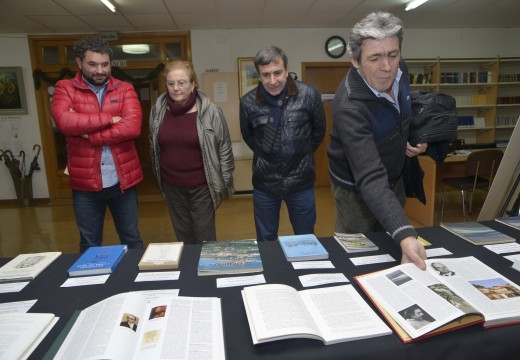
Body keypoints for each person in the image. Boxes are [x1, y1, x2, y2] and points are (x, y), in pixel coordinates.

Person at [326, 12, 427, 269]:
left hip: (394, 176)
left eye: (393, 55)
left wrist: (413, 136)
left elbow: (403, 110)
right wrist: (405, 233)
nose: (387, 67)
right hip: (355, 190)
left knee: (393, 248)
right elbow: (369, 176)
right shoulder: (349, 106)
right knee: (359, 258)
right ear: (355, 61)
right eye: (375, 58)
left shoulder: (400, 70)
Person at [51, 37, 144, 252]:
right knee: (90, 243)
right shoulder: (65, 88)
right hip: (85, 185)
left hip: (124, 182)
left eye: (105, 64)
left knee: (131, 239)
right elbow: (65, 122)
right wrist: (110, 119)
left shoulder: (125, 89)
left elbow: (132, 128)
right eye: (93, 64)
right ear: (79, 63)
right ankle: (92, 284)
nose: (100, 70)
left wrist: (89, 134)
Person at [240, 46, 326, 241]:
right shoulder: (247, 102)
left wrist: (300, 153)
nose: (272, 81)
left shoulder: (309, 95)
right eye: (265, 75)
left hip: (301, 181)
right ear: (259, 76)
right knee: (266, 239)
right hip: (265, 184)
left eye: (277, 73)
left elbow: (318, 133)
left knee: (305, 239)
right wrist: (268, 154)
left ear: (287, 69)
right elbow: (249, 137)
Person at [149, 60, 235, 244]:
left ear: (193, 83)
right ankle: (189, 272)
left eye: (182, 83)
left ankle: (208, 272)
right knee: (184, 237)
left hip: (202, 186)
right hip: (172, 187)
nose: (176, 88)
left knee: (205, 238)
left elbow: (225, 148)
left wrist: (223, 183)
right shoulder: (157, 110)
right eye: (171, 83)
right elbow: (153, 146)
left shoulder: (211, 111)